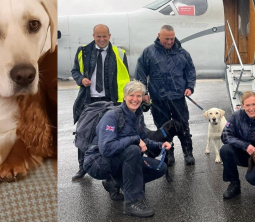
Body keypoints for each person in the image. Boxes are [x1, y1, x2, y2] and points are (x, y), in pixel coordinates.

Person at [83, 80, 171, 218]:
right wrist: (135, 140)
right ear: (124, 96)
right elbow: (106, 148)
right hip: (97, 162)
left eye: (138, 96)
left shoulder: (138, 115)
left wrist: (160, 145)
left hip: (118, 159)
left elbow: (143, 139)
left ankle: (115, 182)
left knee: (160, 168)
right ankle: (132, 203)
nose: (135, 99)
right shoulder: (112, 115)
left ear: (142, 98)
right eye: (131, 95)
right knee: (133, 150)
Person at [71, 24, 130, 180]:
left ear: (109, 36)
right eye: (99, 36)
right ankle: (82, 167)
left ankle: (111, 170)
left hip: (110, 100)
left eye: (104, 36)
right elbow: (75, 71)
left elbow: (126, 77)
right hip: (89, 100)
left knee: (110, 134)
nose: (102, 39)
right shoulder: (83, 51)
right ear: (93, 36)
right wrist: (80, 79)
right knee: (84, 133)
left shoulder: (119, 53)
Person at [135, 25, 196, 166]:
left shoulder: (183, 53)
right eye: (166, 39)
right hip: (158, 99)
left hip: (177, 98)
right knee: (162, 129)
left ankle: (188, 153)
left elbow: (190, 71)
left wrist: (189, 87)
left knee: (183, 126)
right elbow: (141, 73)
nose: (169, 42)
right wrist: (143, 92)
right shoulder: (148, 52)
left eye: (172, 39)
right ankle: (168, 154)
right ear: (159, 36)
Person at [220, 91, 255, 199]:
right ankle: (234, 184)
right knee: (225, 150)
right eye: (247, 105)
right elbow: (225, 135)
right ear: (242, 105)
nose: (251, 108)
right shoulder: (236, 116)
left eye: (254, 104)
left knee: (252, 178)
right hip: (243, 154)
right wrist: (245, 145)